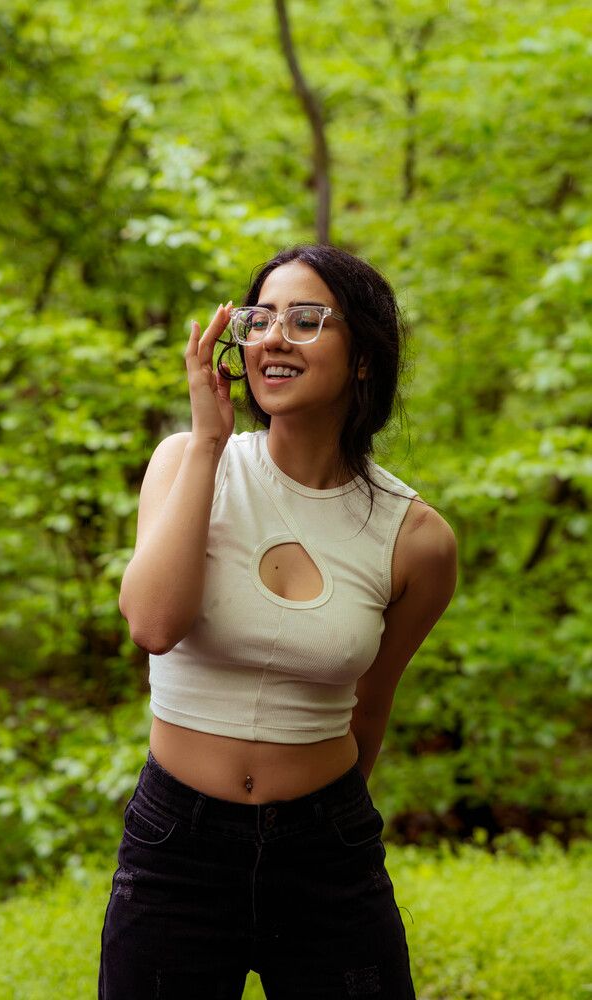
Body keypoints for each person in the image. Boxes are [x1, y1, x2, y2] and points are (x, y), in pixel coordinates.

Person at [98, 244, 458, 999]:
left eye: (306, 319)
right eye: (259, 320)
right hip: (176, 847)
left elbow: (372, 704)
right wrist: (208, 439)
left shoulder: (416, 539)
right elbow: (154, 626)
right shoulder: (187, 462)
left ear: (364, 357)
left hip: (328, 850)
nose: (273, 338)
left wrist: (317, 825)